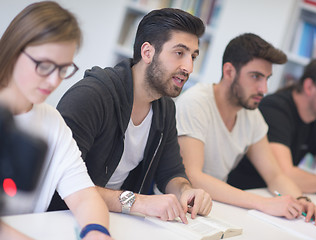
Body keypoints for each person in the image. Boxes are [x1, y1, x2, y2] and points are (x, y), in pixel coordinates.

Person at [49, 8, 212, 224]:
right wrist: (138, 202)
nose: (189, 67)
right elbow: (59, 178)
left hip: (119, 219)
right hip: (64, 218)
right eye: (179, 53)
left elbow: (170, 172)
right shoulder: (92, 95)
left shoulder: (165, 108)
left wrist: (186, 191)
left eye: (193, 56)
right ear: (147, 52)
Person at [175, 33, 316, 226]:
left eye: (267, 78)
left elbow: (275, 175)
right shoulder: (196, 102)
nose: (264, 89)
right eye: (256, 77)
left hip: (211, 209)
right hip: (177, 211)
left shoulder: (251, 115)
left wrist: (302, 200)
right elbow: (193, 177)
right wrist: (265, 204)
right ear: (229, 71)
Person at [0, 2, 112, 239]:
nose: (53, 82)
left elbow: (84, 196)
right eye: (45, 66)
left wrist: (97, 232)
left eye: (62, 69)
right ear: (14, 50)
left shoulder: (52, 121)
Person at [227, 57, 316, 194]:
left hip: (268, 197)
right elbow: (285, 175)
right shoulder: (275, 110)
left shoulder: (311, 121)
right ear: (309, 87)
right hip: (240, 195)